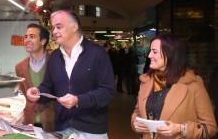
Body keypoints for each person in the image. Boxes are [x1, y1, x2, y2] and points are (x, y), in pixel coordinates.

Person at [26, 10, 115, 138]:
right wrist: (38, 92)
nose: (55, 31)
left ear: (74, 27)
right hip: (62, 129)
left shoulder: (97, 53)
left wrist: (79, 100)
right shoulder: (54, 57)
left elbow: (107, 91)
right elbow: (48, 86)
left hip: (91, 130)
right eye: (53, 28)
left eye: (59, 27)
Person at [131, 33, 217, 138]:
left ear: (170, 54)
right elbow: (137, 112)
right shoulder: (146, 82)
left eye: (154, 52)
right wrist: (135, 124)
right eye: (150, 51)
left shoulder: (193, 84)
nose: (149, 56)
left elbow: (211, 128)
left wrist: (181, 129)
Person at [15, 23, 55, 132]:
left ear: (43, 41)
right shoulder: (19, 67)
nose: (27, 40)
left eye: (32, 36)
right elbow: (24, 93)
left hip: (53, 120)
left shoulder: (56, 63)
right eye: (26, 37)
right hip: (29, 121)